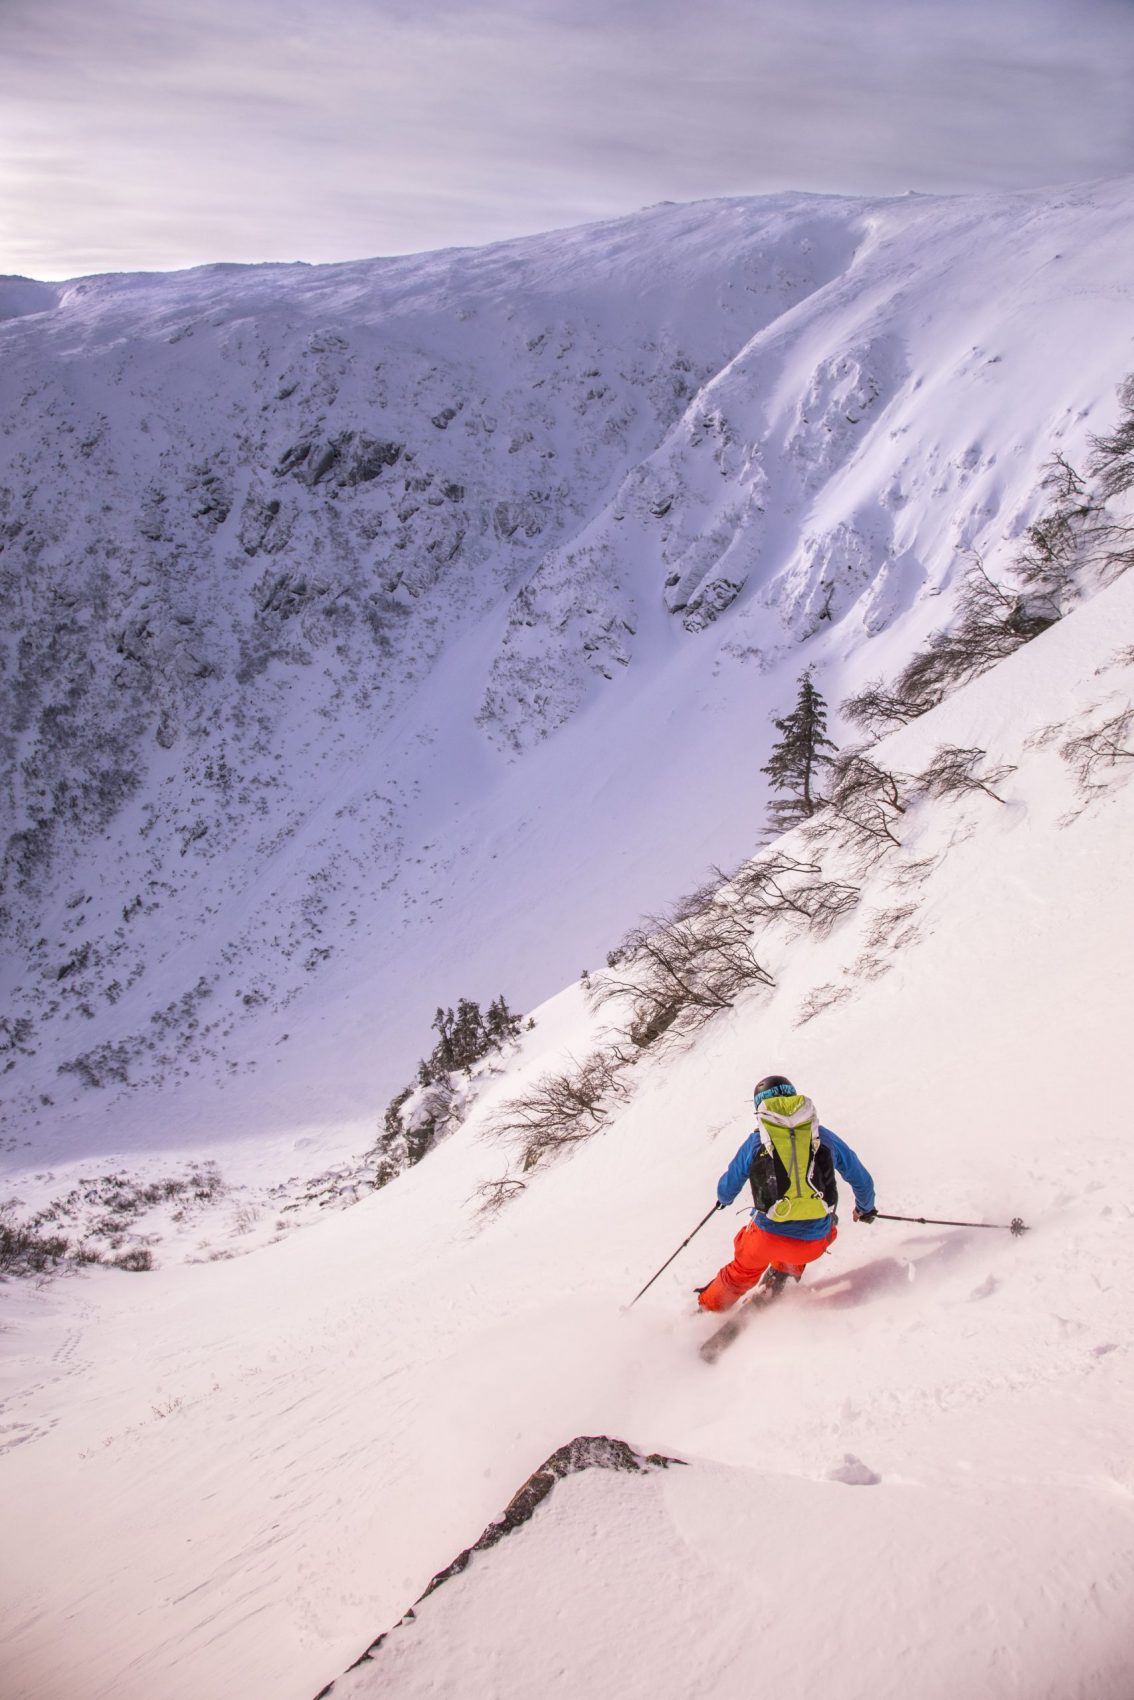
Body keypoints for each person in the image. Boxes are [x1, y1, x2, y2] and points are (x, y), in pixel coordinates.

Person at [697, 1074, 876, 1311]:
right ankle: (784, 1272)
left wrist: (723, 1200)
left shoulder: (757, 1141)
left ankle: (708, 1310)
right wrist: (865, 1209)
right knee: (827, 1219)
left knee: (742, 1269)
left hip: (764, 1240)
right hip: (814, 1242)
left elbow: (728, 1186)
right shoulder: (821, 1135)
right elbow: (860, 1178)